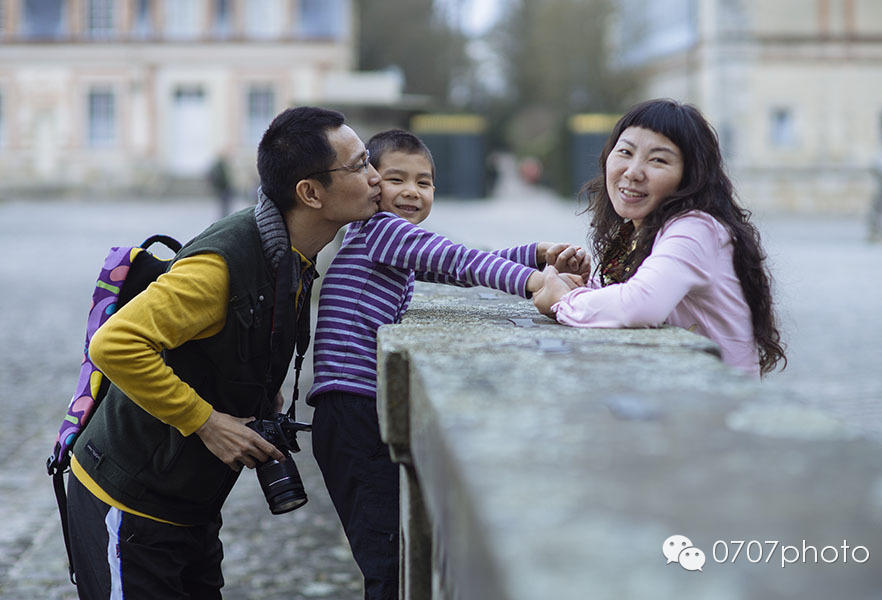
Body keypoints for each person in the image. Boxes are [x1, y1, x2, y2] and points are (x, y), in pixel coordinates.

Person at [65, 106, 383, 599]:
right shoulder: (221, 268)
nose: (376, 177)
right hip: (127, 502)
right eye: (360, 165)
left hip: (187, 505)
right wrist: (207, 422)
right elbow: (116, 343)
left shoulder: (288, 255)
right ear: (311, 193)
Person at [308, 129, 588, 599]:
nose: (412, 192)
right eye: (396, 179)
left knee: (388, 548)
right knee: (387, 558)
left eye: (425, 182)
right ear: (372, 183)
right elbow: (457, 259)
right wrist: (537, 281)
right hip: (353, 412)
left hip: (348, 411)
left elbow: (449, 267)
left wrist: (535, 254)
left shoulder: (382, 240)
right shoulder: (383, 230)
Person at [533, 99, 786, 377]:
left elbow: (639, 305)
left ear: (690, 176)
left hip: (715, 405)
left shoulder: (695, 228)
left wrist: (563, 301)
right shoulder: (639, 229)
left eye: (658, 160)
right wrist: (585, 285)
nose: (633, 172)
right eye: (626, 152)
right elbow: (638, 297)